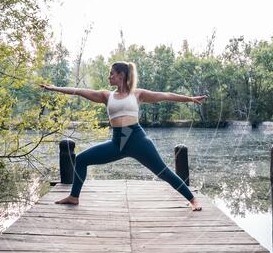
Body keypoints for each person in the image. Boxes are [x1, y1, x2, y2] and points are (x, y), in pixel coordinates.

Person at [40, 61, 208, 211]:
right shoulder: (106, 96)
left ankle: (193, 200)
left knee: (163, 172)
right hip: (118, 141)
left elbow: (166, 96)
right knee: (82, 159)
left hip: (137, 139)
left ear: (121, 75)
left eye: (111, 73)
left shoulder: (137, 94)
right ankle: (74, 197)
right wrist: (54, 88)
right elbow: (78, 91)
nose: (109, 77)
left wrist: (190, 99)